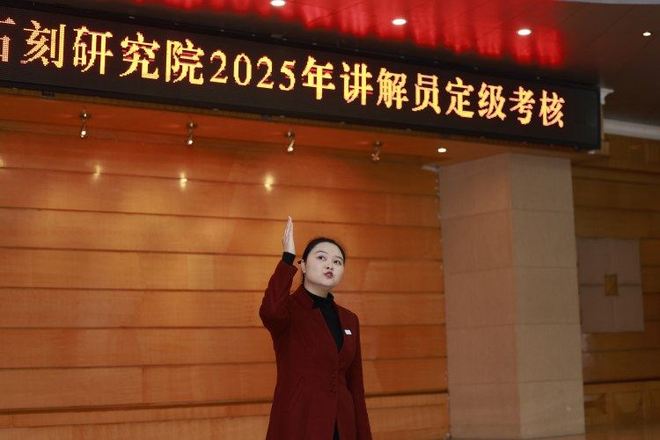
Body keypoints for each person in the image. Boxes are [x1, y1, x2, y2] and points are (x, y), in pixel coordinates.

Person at [259, 217, 373, 440]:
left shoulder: (350, 320)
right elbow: (270, 311)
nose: (330, 265)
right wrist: (287, 258)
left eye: (337, 262)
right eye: (321, 258)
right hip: (299, 424)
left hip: (343, 426)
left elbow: (356, 387)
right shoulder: (288, 310)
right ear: (302, 265)